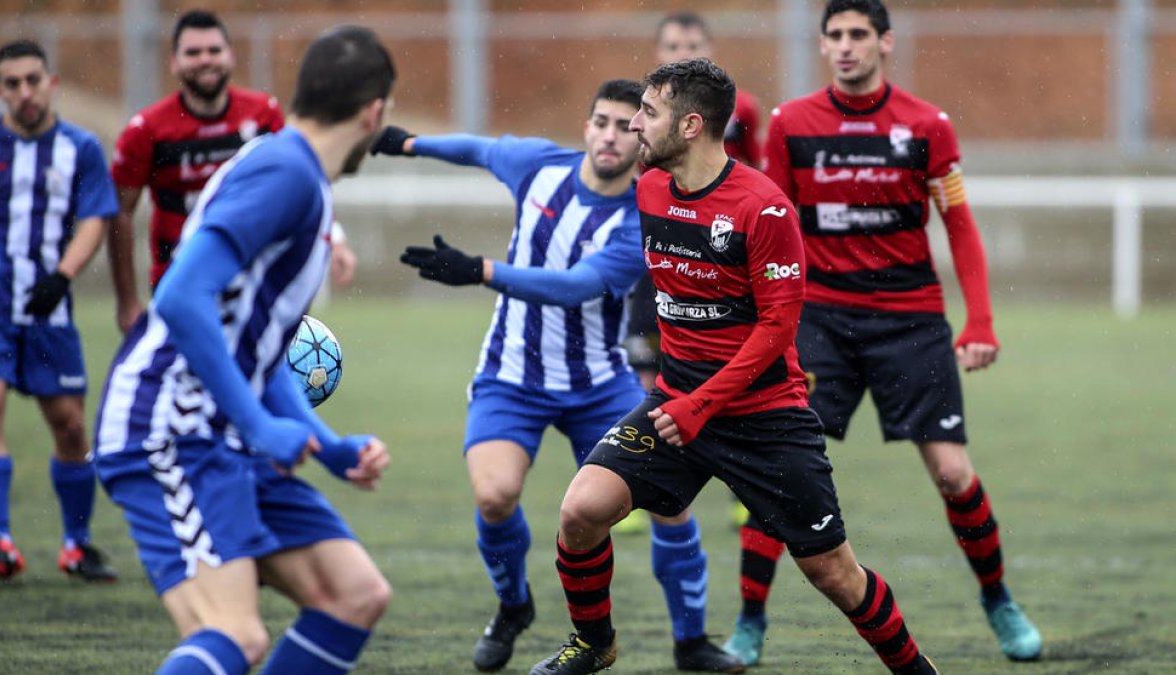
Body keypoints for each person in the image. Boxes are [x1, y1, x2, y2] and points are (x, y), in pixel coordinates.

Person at [528, 57, 938, 675]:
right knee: (581, 510)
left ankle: (915, 669)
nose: (636, 124)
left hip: (764, 417)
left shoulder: (763, 209)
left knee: (835, 575)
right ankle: (593, 643)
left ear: (691, 126)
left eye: (649, 112)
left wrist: (702, 404)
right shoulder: (650, 185)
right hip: (675, 407)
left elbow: (778, 328)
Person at [373, 79, 743, 674]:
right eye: (600, 121)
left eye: (627, 125)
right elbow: (480, 149)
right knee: (495, 496)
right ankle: (513, 606)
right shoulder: (542, 165)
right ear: (588, 125)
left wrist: (480, 270)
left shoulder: (640, 219)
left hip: (600, 383)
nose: (610, 135)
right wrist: (408, 144)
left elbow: (576, 287)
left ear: (644, 136)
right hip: (511, 376)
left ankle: (690, 640)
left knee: (670, 506)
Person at [721, 0, 1044, 667]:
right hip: (820, 323)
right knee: (784, 471)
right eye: (833, 35)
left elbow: (958, 223)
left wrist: (979, 319)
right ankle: (749, 619)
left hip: (911, 322)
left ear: (884, 42)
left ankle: (999, 599)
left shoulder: (927, 125)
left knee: (954, 473)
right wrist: (761, 316)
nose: (844, 46)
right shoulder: (790, 124)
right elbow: (772, 223)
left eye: (857, 34)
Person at [92, 25, 395, 674]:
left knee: (354, 594)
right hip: (168, 424)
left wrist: (326, 443)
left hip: (226, 430)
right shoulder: (285, 172)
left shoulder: (299, 176)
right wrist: (259, 424)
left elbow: (263, 351)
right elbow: (178, 298)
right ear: (374, 111)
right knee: (238, 635)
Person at [108, 9, 357, 335]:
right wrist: (127, 301)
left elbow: (304, 179)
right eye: (193, 53)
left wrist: (334, 238)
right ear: (174, 62)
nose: (205, 60)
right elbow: (119, 212)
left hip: (253, 284)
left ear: (231, 56)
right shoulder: (147, 129)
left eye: (214, 50)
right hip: (180, 284)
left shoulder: (262, 113)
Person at [619, 10, 767, 537]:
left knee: (722, 365)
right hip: (659, 255)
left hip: (715, 252)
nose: (680, 52)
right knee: (648, 372)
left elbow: (749, 167)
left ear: (708, 47)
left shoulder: (737, 107)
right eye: (672, 44)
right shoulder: (648, 111)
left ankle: (742, 488)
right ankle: (643, 485)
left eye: (691, 43)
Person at [0, 39, 119, 584]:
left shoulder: (79, 148)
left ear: (51, 82)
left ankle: (76, 544)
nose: (25, 92)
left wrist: (62, 275)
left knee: (70, 425)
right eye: (12, 83)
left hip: (48, 309)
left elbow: (95, 218)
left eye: (33, 80)